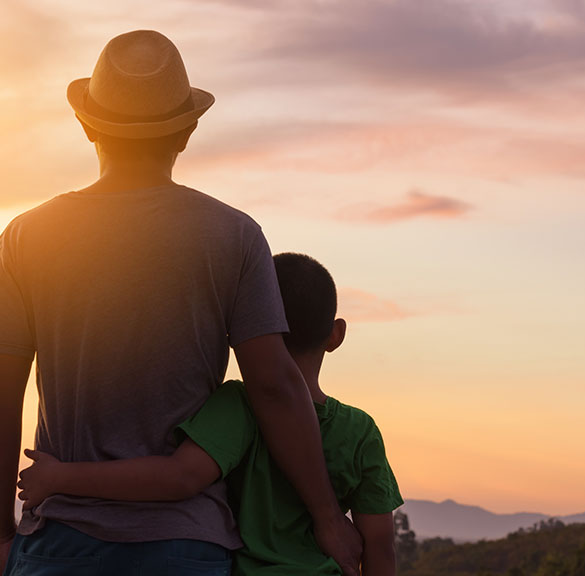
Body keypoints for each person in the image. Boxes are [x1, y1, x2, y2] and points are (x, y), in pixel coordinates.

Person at [0, 30, 360, 575]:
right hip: (184, 543)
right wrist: (329, 518)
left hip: (60, 540)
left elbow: (5, 390)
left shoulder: (27, 237)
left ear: (86, 125)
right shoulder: (232, 236)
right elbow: (273, 384)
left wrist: (0, 530)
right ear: (187, 131)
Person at [18, 252, 403, 575]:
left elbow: (179, 477)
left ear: (243, 326)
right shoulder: (360, 431)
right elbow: (380, 548)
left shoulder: (237, 405)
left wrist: (60, 476)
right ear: (336, 334)